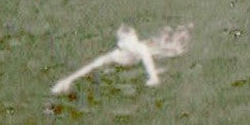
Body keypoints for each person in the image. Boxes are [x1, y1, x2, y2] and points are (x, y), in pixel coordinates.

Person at [51, 25, 183, 94]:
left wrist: (153, 76)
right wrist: (68, 80)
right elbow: (90, 66)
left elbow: (148, 61)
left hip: (141, 59)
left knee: (172, 49)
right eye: (130, 43)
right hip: (124, 65)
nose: (134, 45)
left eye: (135, 40)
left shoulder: (141, 47)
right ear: (121, 45)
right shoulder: (115, 56)